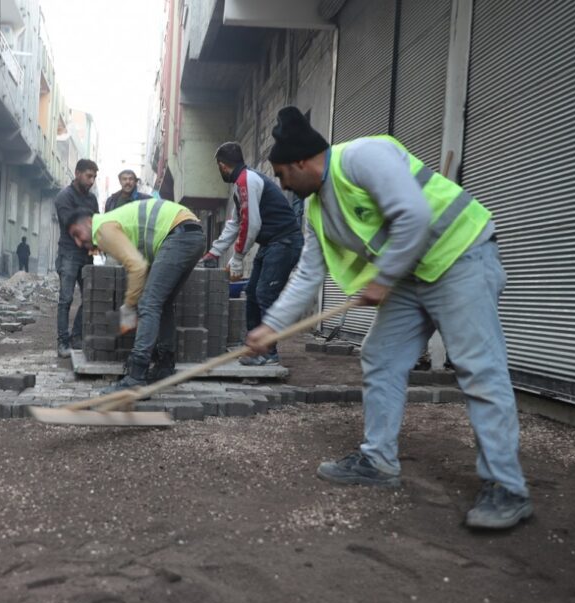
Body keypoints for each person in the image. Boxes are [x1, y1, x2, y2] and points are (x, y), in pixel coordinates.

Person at [247, 106, 530, 530]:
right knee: (380, 355)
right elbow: (307, 274)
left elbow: (413, 215)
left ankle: (507, 488)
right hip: (413, 273)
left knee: (479, 370)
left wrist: (382, 277)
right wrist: (272, 326)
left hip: (460, 255)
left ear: (301, 162)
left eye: (283, 174)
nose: (283, 185)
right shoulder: (317, 212)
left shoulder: (363, 156)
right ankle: (378, 461)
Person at [67, 198, 205, 392]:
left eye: (77, 234)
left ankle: (136, 376)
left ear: (89, 222)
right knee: (161, 303)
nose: (78, 242)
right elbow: (142, 265)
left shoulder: (103, 228)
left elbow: (137, 267)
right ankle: (165, 365)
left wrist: (129, 307)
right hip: (192, 234)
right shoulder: (114, 223)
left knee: (148, 304)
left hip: (179, 234)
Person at [201, 142, 302, 369]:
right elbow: (235, 223)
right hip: (271, 244)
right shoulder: (241, 183)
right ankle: (254, 345)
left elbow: (251, 224)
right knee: (253, 293)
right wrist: (213, 252)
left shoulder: (247, 180)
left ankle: (269, 352)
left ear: (222, 166)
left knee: (265, 294)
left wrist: (237, 258)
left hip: (285, 242)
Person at [54, 159, 99, 358]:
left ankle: (76, 338)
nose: (92, 181)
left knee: (89, 297)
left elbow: (96, 223)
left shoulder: (92, 199)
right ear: (77, 173)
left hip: (86, 254)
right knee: (66, 299)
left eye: (94, 177)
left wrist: (96, 248)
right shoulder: (64, 197)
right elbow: (70, 224)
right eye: (89, 176)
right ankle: (63, 343)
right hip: (69, 254)